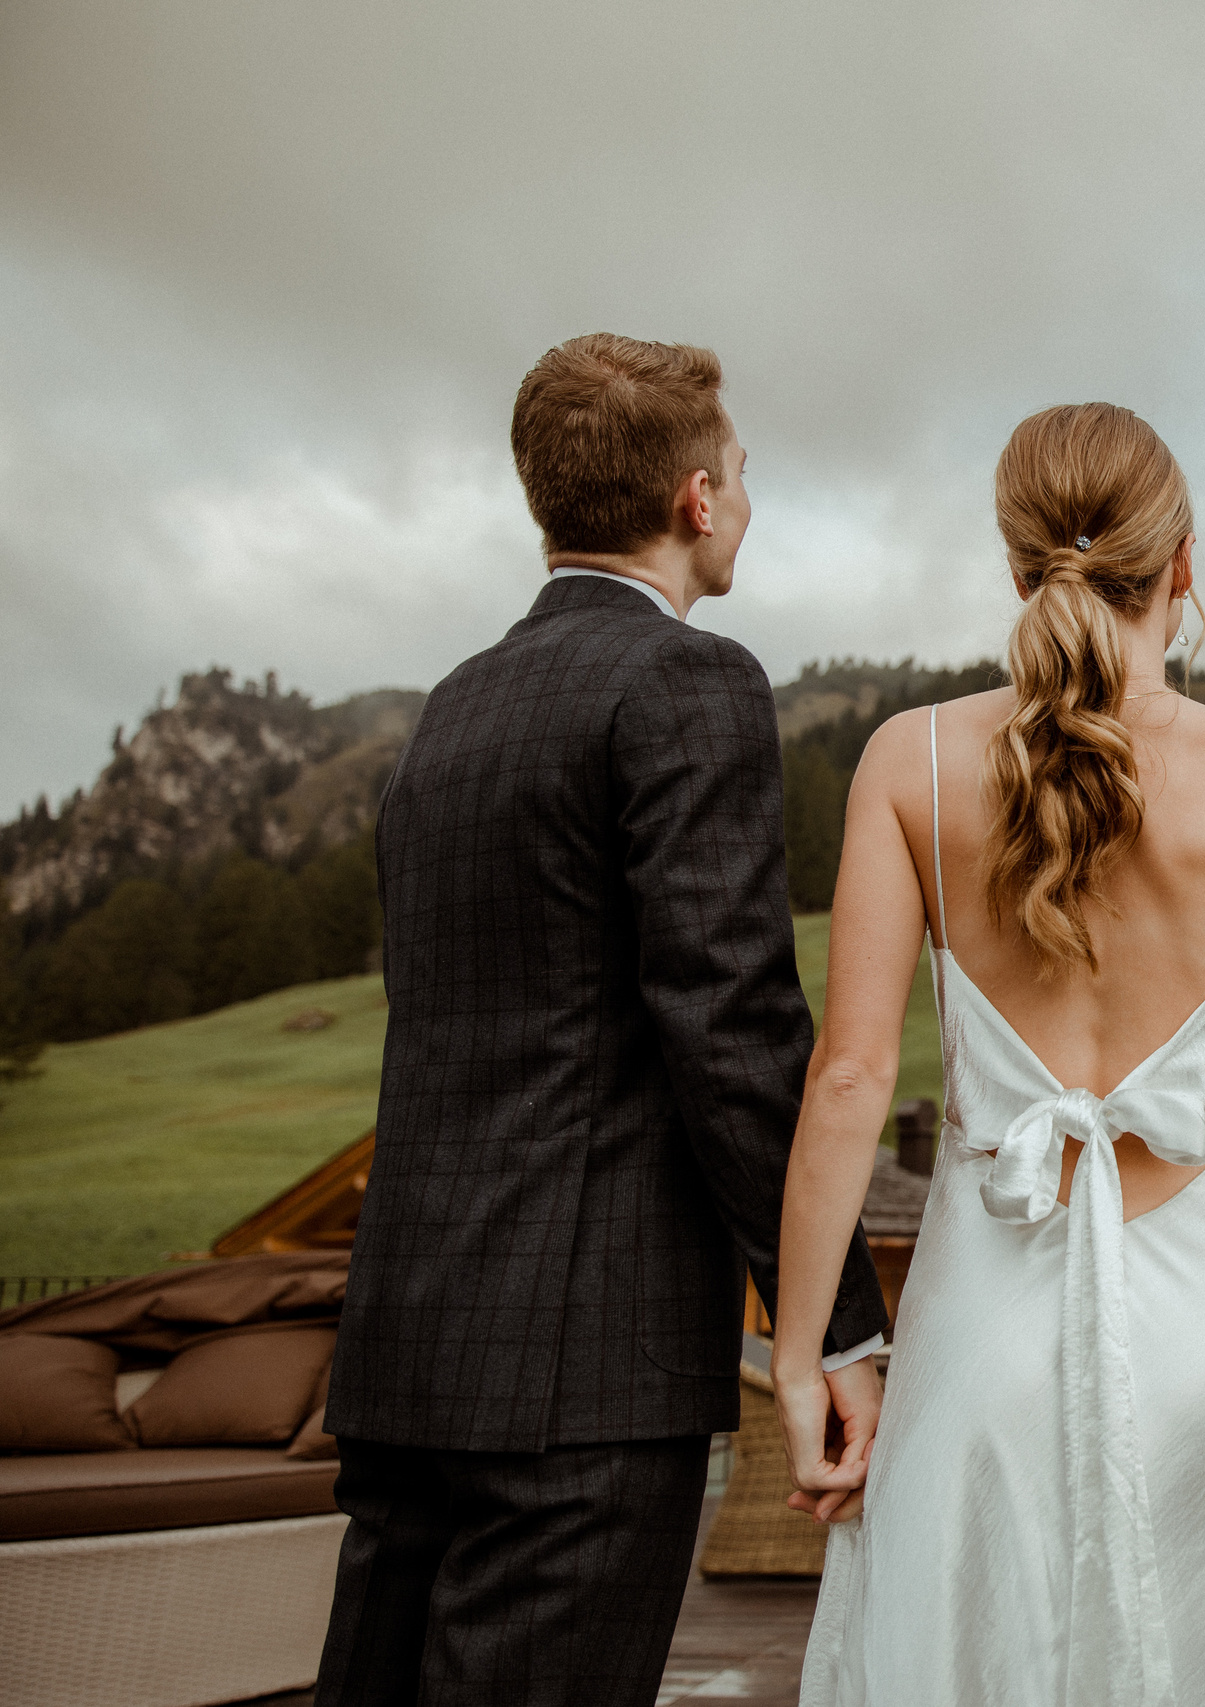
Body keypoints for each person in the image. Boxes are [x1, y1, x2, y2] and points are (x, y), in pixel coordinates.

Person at [318, 334, 891, 1706]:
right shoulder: (686, 683)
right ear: (695, 498)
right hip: (580, 1373)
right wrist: (836, 1329)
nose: (748, 500)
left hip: (408, 1353)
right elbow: (733, 1026)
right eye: (743, 474)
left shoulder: (449, 713)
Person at [779, 403, 1205, 1705]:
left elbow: (850, 1080)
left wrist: (802, 1351)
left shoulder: (907, 765)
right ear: (1186, 565)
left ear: (1014, 566)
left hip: (980, 1328)